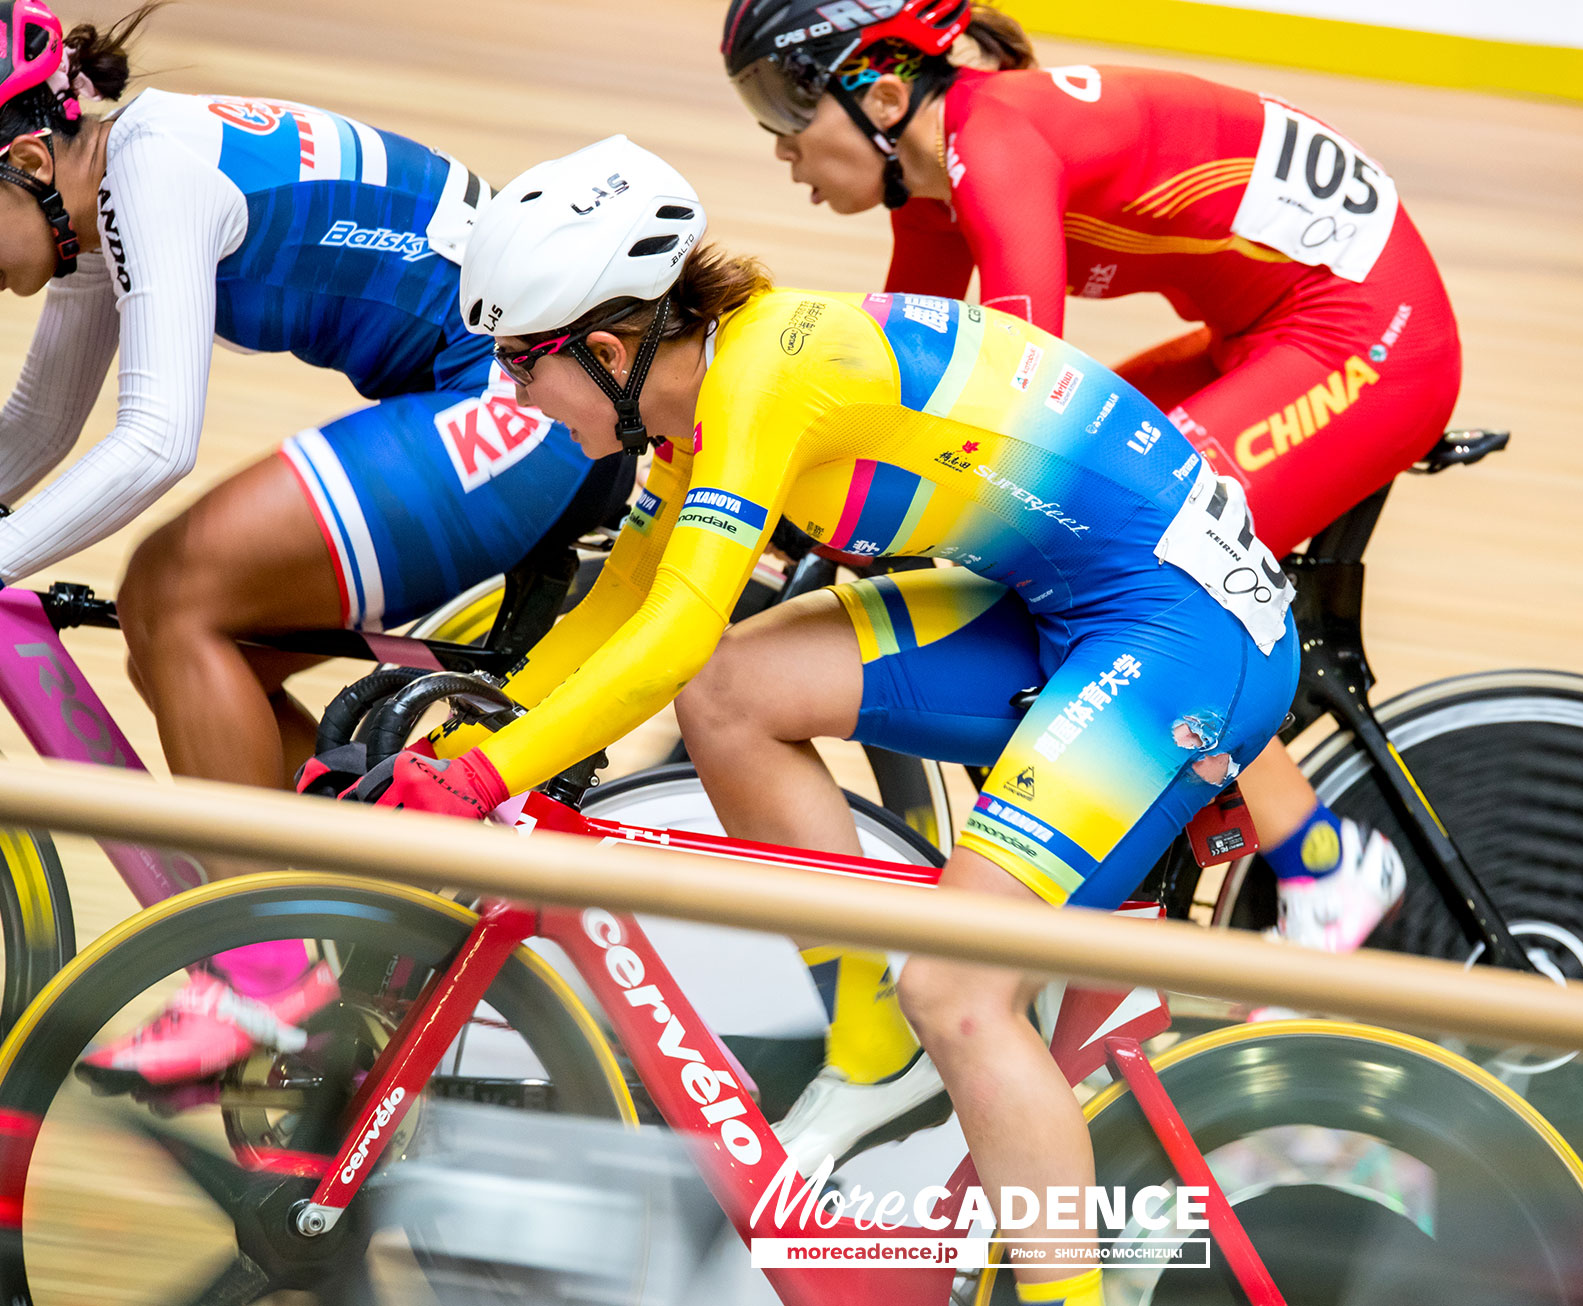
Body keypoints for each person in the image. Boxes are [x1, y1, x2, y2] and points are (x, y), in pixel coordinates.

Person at [374, 135, 1297, 1306]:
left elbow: (671, 629)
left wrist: (488, 777)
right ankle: (872, 1040)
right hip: (1071, 601)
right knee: (733, 695)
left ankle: (1068, 1285)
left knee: (960, 989)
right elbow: (628, 601)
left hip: (1179, 634)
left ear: (605, 349)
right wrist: (478, 734)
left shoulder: (766, 379)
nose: (511, 395)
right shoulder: (693, 400)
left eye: (518, 365)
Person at [722, 0, 1447, 1138]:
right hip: (1258, 325)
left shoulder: (994, 143)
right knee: (1091, 533)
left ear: (878, 88)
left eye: (782, 103)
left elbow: (1022, 402)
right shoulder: (936, 190)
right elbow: (904, 369)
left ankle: (1321, 860)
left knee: (1148, 551)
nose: (777, 148)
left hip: (1361, 333)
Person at [0, 2, 628, 1087]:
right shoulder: (101, 196)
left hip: (524, 403)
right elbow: (40, 430)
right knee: (195, 651)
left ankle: (262, 978)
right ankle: (367, 919)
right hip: (482, 398)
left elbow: (155, 443)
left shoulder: (155, 177)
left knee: (172, 590)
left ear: (21, 156)